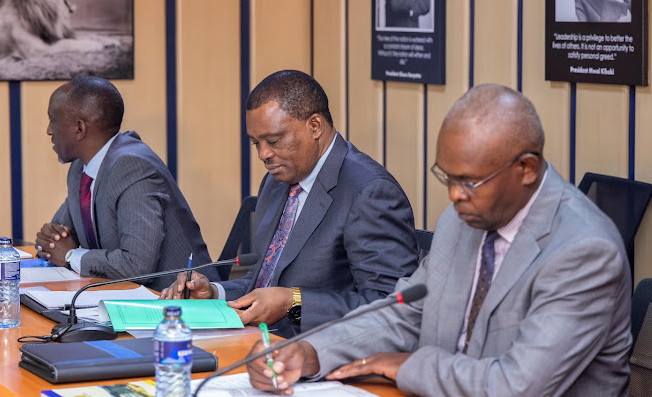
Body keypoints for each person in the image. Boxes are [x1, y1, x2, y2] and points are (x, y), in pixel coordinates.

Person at [246, 84, 632, 396]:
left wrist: (408, 367)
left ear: (526, 169)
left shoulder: (583, 251)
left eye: (469, 182)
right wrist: (313, 352)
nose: (454, 196)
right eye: (447, 178)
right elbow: (406, 311)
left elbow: (517, 385)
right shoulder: (464, 220)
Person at [160, 70, 419, 338]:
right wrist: (215, 293)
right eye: (255, 143)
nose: (263, 155)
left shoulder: (369, 191)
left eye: (273, 141)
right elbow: (267, 282)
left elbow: (391, 307)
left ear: (315, 126)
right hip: (259, 342)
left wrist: (293, 304)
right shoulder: (277, 182)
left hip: (320, 354)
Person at [34, 76, 216, 291]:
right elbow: (57, 238)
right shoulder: (80, 168)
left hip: (180, 306)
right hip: (120, 297)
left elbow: (138, 265)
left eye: (53, 120)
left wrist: (70, 255)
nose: (49, 130)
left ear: (79, 128)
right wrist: (53, 242)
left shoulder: (132, 166)